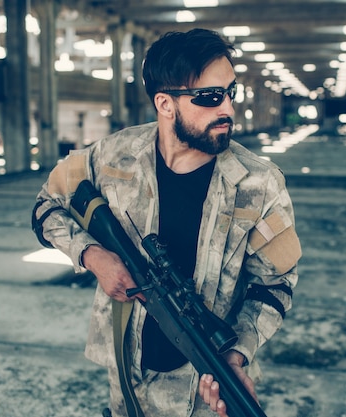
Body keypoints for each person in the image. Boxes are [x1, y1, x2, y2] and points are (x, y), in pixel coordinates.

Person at [31, 28, 301, 417]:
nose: (226, 108)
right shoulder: (112, 158)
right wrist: (93, 256)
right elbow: (45, 206)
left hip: (206, 390)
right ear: (165, 103)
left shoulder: (259, 182)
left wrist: (238, 355)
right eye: (209, 97)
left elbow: (275, 284)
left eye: (230, 92)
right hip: (127, 383)